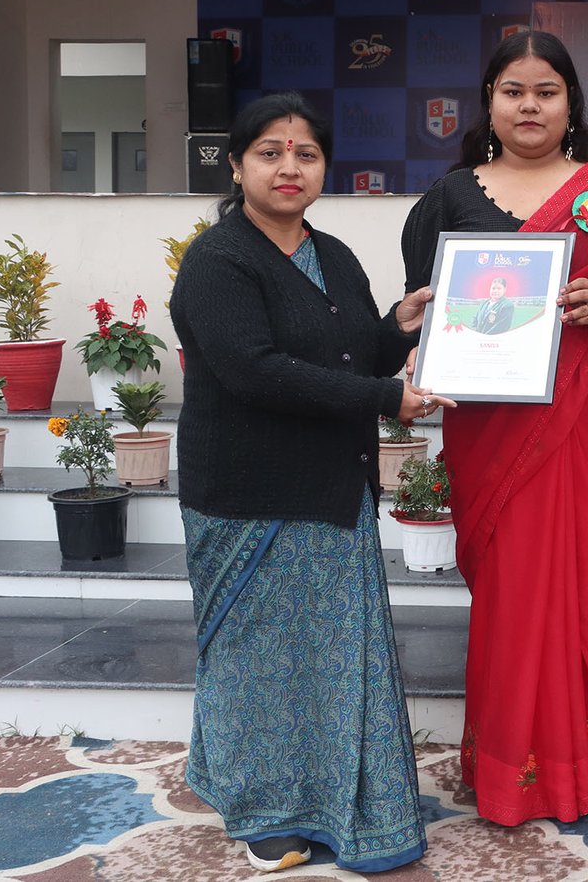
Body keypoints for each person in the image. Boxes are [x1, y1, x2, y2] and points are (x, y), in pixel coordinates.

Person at [401, 31, 588, 827]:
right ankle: (513, 771)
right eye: (513, 91)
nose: (529, 106)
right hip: (494, 433)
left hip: (587, 432)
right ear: (489, 103)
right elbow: (425, 310)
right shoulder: (448, 199)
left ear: (571, 103)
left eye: (546, 91)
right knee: (516, 596)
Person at [172, 92, 443, 874]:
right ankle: (264, 812)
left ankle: (336, 800)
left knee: (330, 666)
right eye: (270, 152)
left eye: (306, 154)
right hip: (248, 498)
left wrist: (398, 326)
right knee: (257, 662)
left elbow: (351, 355)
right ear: (236, 166)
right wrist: (387, 398)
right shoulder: (219, 261)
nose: (288, 167)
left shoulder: (335, 256)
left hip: (331, 491)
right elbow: (257, 372)